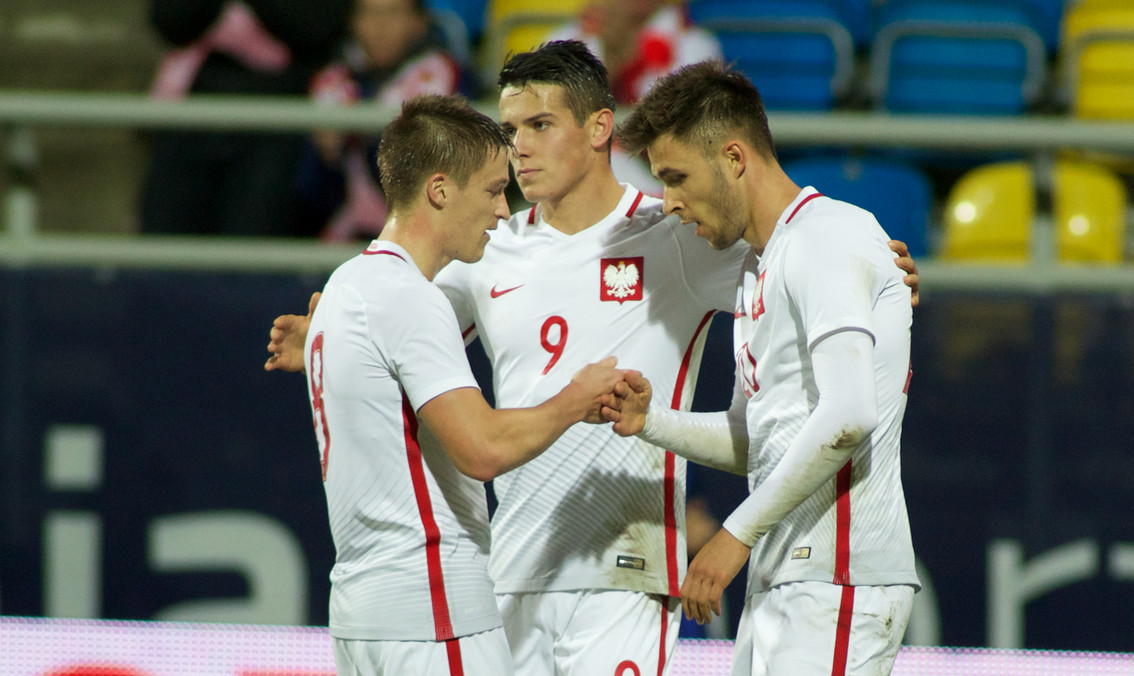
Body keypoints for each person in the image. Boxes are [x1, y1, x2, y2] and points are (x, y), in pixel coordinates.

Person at [266, 41, 921, 676]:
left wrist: (884, 272)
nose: (518, 144)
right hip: (511, 578)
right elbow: (396, 319)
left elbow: (790, 246)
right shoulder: (485, 252)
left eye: (540, 123)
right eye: (510, 126)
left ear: (600, 126)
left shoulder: (675, 233)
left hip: (626, 576)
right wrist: (329, 333)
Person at [603, 60, 920, 676]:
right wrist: (651, 422)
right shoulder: (759, 269)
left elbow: (850, 415)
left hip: (838, 575)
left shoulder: (829, 236)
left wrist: (733, 537)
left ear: (733, 157)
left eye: (676, 177)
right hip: (790, 576)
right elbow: (761, 443)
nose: (668, 203)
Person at [305, 93, 626, 675]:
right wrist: (574, 400)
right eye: (491, 189)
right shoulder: (411, 296)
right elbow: (482, 449)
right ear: (440, 189)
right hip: (430, 609)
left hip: (362, 613)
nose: (504, 211)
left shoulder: (345, 285)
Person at [141, 0, 350, 236]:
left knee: (253, 241)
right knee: (165, 239)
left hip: (279, 120)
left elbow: (314, 26)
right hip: (192, 114)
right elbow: (170, 21)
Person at [295, 0, 464, 241]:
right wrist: (325, 155)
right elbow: (309, 198)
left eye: (392, 13)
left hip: (425, 240)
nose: (380, 26)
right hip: (344, 242)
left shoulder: (451, 79)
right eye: (369, 14)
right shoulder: (329, 83)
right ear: (352, 21)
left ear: (418, 22)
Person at [546, 0, 720, 195]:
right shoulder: (566, 38)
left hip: (661, 174)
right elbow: (553, 112)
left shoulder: (695, 43)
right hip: (581, 167)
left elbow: (678, 123)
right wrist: (611, 61)